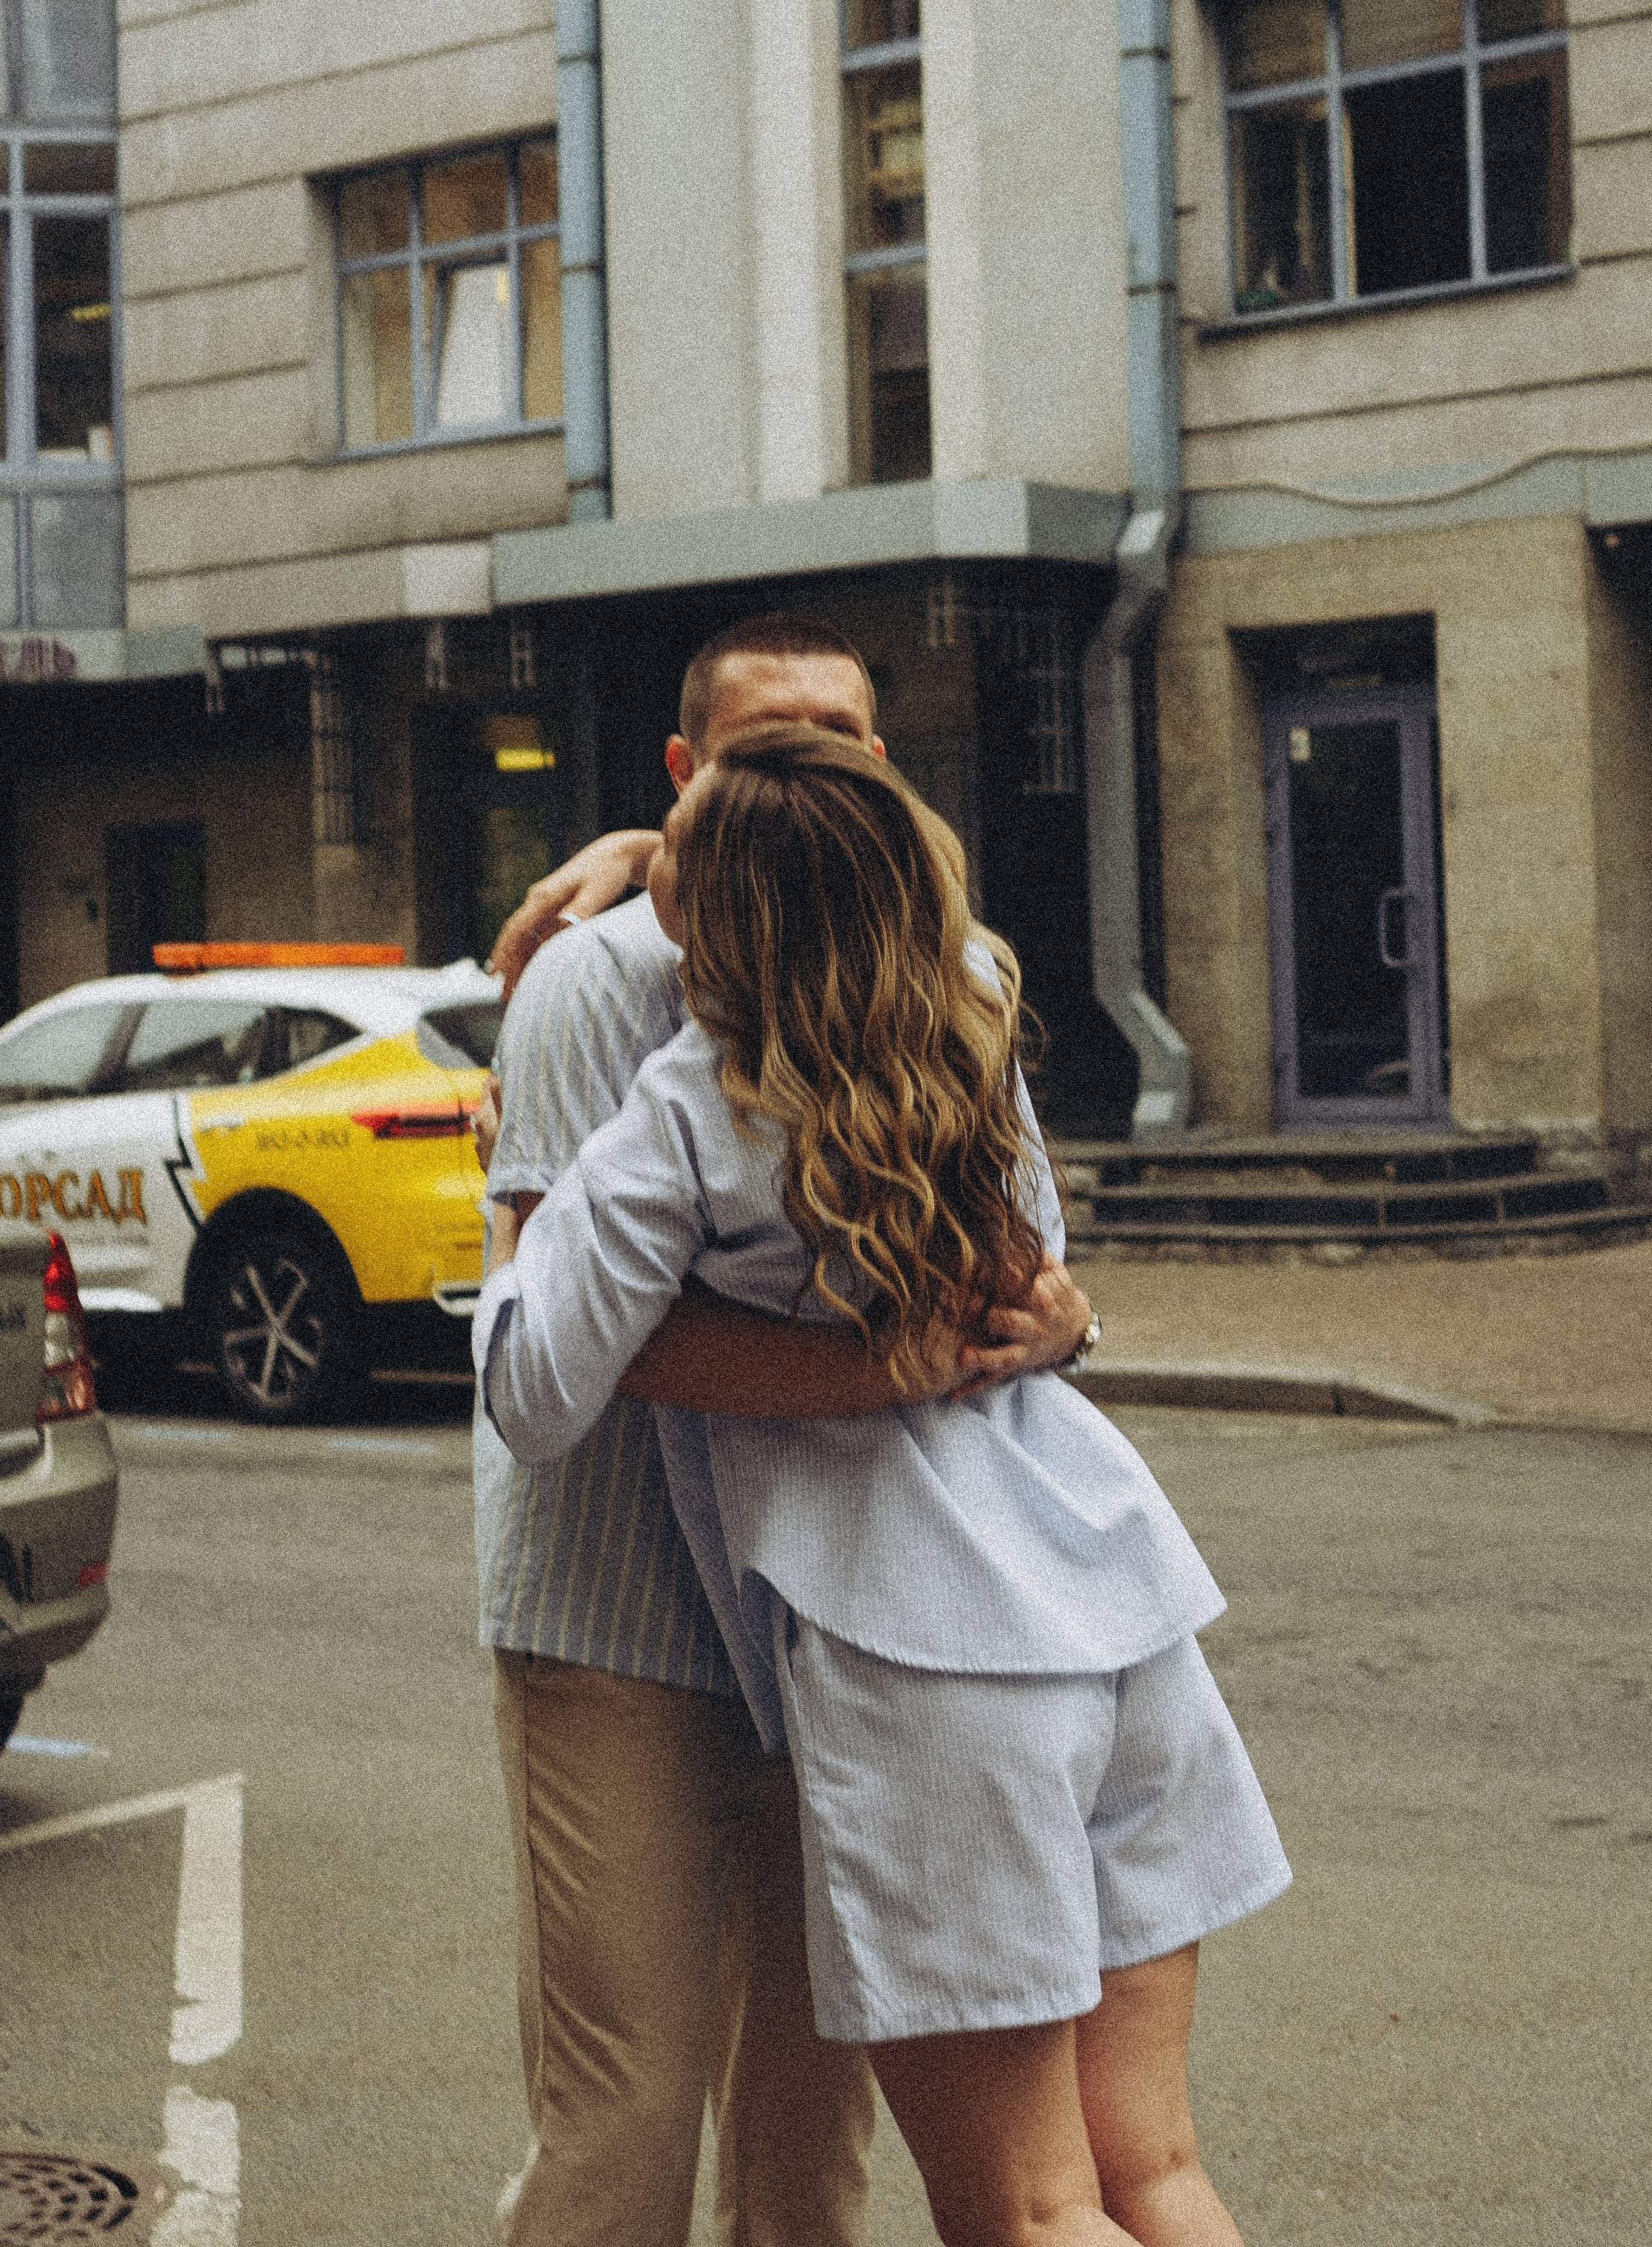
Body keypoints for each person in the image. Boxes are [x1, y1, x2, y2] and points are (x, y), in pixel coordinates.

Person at [477, 728, 1290, 2247]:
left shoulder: (691, 1114)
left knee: (1032, 2213)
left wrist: (525, 1200)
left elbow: (532, 1390)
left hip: (931, 1671)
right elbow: (1031, 1277)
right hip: (1113, 1613)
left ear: (709, 924)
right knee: (1152, 2174)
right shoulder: (972, 1018)